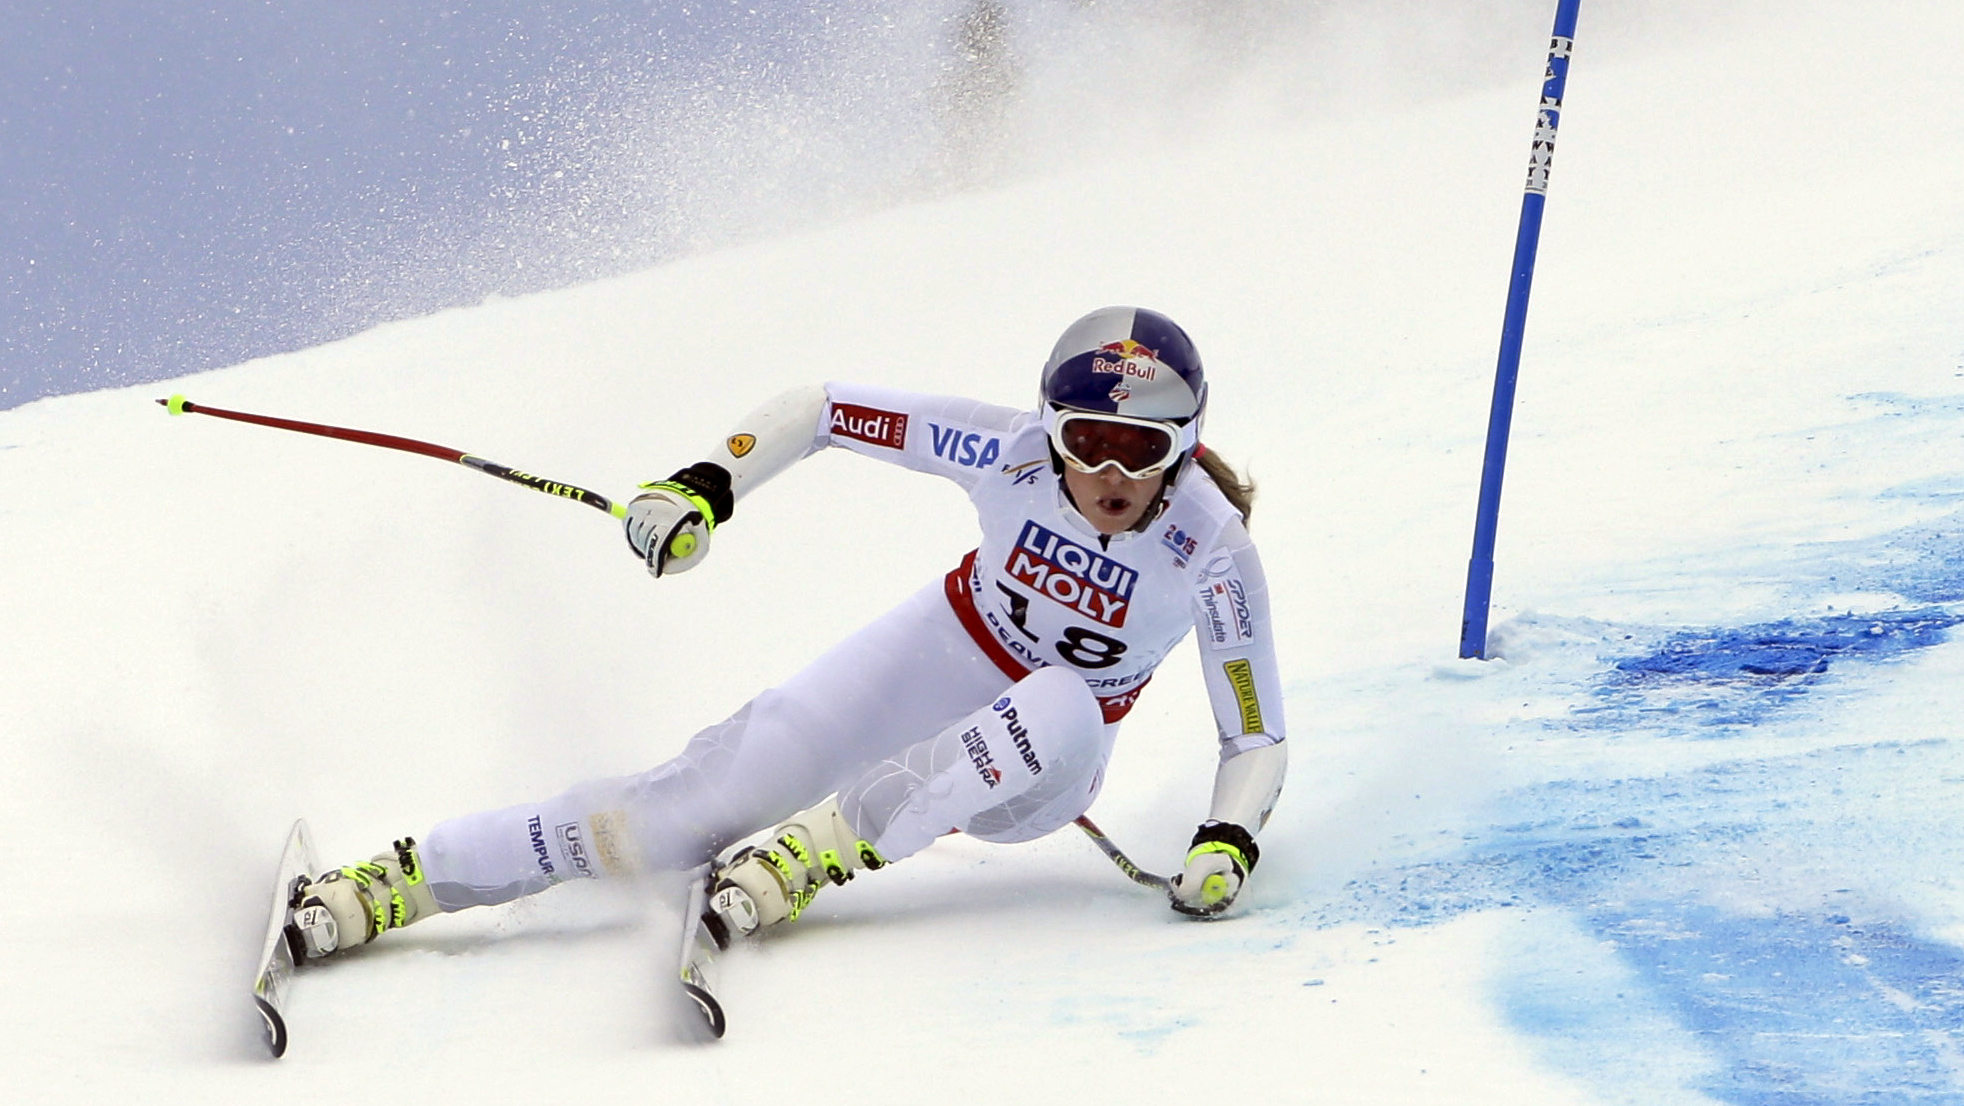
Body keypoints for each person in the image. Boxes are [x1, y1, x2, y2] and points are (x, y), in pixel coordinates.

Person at [286, 307, 1287, 963]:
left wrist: (1226, 838)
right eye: (1086, 439)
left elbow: (1252, 731)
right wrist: (703, 483)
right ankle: (403, 878)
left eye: (1141, 448)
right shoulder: (1006, 450)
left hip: (1044, 769)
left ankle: (812, 854)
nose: (1110, 474)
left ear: (1184, 444)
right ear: (1049, 427)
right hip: (944, 649)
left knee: (1061, 694)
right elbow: (825, 409)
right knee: (679, 815)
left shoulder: (1211, 547)